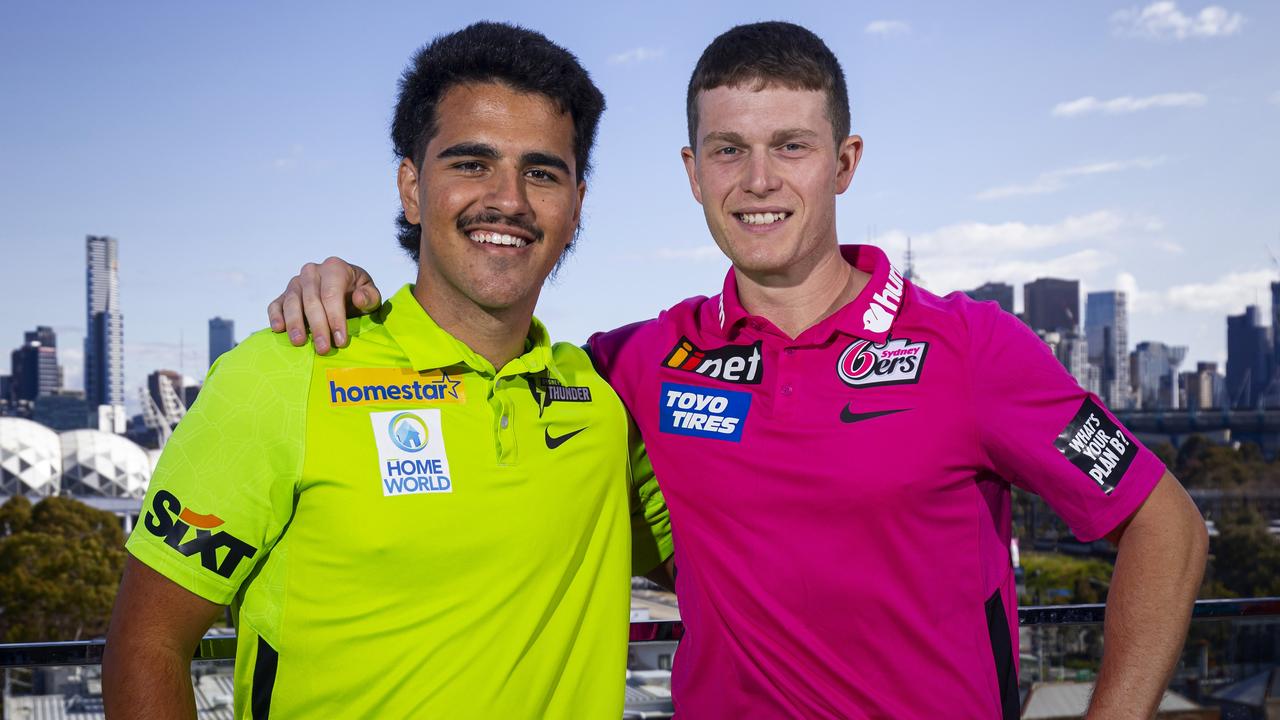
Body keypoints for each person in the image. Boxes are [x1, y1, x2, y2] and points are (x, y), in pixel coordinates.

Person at [271, 21, 1208, 719]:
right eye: (729, 149)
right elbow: (477, 348)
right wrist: (351, 287)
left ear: (843, 163)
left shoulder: (973, 350)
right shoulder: (638, 363)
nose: (758, 180)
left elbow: (1166, 524)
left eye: (790, 146)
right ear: (691, 170)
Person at [103, 22, 671, 719]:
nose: (509, 200)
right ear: (411, 186)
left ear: (577, 205)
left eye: (542, 172)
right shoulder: (283, 374)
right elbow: (147, 643)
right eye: (471, 163)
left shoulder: (603, 404)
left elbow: (747, 566)